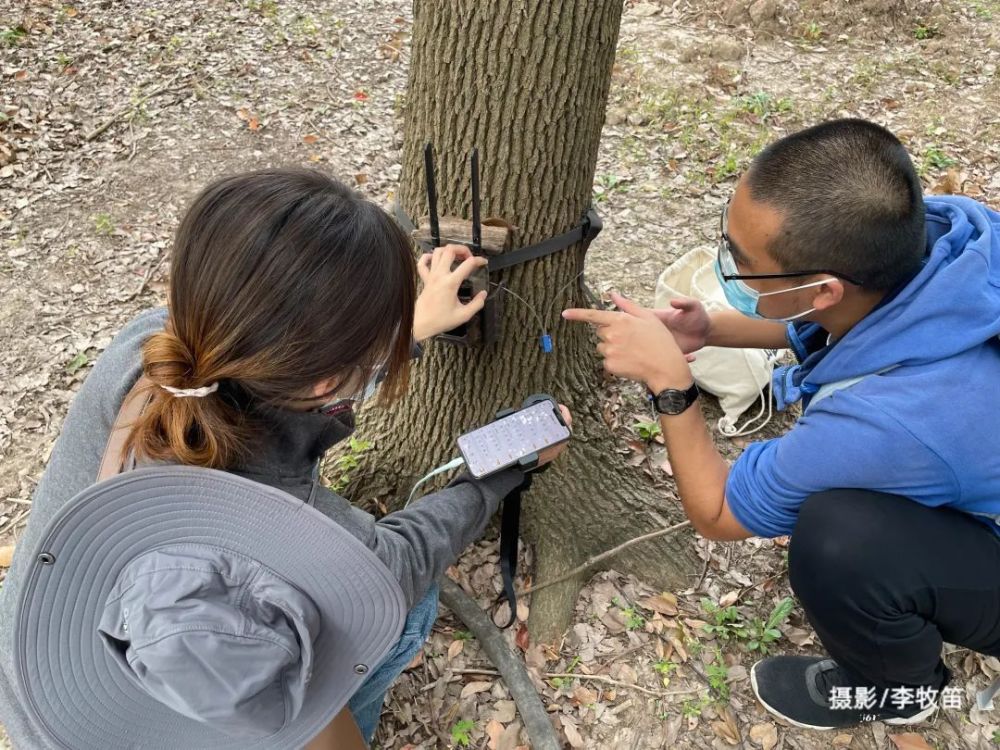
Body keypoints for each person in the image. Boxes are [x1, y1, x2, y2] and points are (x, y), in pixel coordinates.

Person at [0, 168, 570, 748]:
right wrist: (504, 470)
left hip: (40, 673)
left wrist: (413, 327)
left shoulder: (155, 345)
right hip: (153, 723)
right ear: (327, 384)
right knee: (408, 609)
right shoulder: (289, 518)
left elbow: (283, 368)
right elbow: (399, 562)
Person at [564, 118, 1000, 730]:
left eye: (741, 264)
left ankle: (900, 692)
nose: (726, 269)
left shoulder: (885, 419)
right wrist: (709, 329)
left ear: (823, 289)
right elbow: (846, 319)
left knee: (839, 539)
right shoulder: (951, 236)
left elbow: (716, 514)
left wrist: (671, 386)